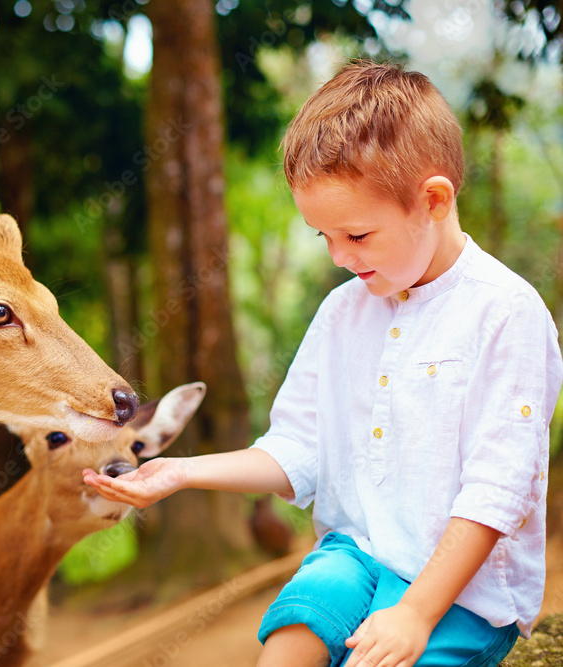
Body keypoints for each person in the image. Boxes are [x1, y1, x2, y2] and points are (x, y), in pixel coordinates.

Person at [83, 60, 563, 667]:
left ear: (434, 200)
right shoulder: (343, 312)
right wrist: (182, 473)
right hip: (354, 556)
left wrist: (415, 613)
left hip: (460, 592)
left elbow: (497, 493)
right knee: (293, 636)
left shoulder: (506, 313)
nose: (339, 257)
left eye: (357, 236)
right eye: (323, 238)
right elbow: (298, 450)